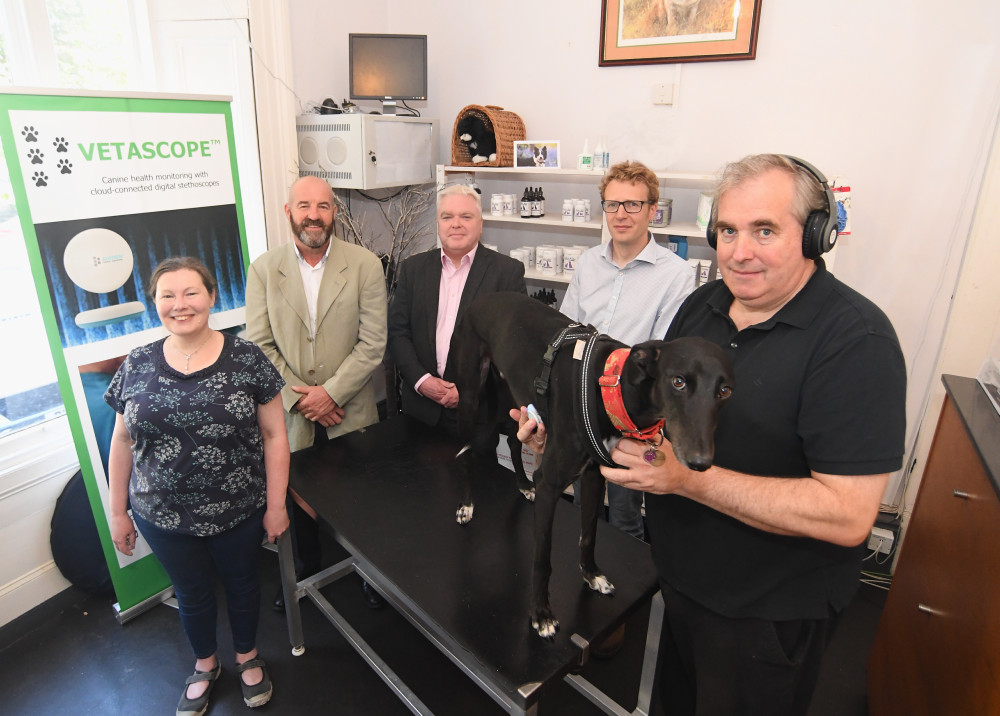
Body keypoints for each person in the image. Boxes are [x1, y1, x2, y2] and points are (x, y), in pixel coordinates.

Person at [514, 154, 906, 715]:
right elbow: (655, 416)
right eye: (727, 230)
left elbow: (847, 516)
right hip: (680, 584)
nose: (739, 251)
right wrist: (565, 433)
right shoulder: (703, 306)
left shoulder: (855, 342)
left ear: (817, 235)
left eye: (764, 230)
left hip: (766, 616)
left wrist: (687, 482)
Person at [106, 257, 289, 715]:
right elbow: (122, 440)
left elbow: (275, 435)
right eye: (167, 295)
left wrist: (276, 504)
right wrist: (116, 511)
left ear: (212, 296)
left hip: (239, 507)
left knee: (243, 583)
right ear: (155, 303)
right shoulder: (138, 363)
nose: (179, 304)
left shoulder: (248, 358)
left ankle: (247, 656)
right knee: (191, 592)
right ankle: (206, 664)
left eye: (191, 293)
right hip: (161, 515)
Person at [245, 175, 387, 610]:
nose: (313, 215)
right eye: (303, 205)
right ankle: (307, 566)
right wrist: (303, 398)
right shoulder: (264, 269)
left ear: (334, 214)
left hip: (351, 409)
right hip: (290, 412)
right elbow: (259, 345)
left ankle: (367, 570)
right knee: (296, 490)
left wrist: (332, 394)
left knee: (359, 494)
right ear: (288, 211)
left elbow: (373, 342)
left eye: (323, 206)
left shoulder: (365, 265)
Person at [561, 160, 694, 540]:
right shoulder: (588, 263)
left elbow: (661, 356)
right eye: (613, 204)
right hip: (582, 405)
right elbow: (567, 331)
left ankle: (628, 594)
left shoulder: (675, 274)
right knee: (579, 504)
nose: (621, 214)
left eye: (633, 205)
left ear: (653, 209)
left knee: (624, 516)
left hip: (631, 419)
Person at [388, 183, 526, 433]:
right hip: (419, 411)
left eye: (466, 216)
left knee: (474, 473)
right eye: (447, 217)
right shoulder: (413, 270)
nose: (456, 223)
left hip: (478, 415)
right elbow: (398, 333)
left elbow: (513, 348)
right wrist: (422, 381)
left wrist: (469, 390)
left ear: (481, 224)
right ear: (438, 224)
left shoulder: (507, 273)